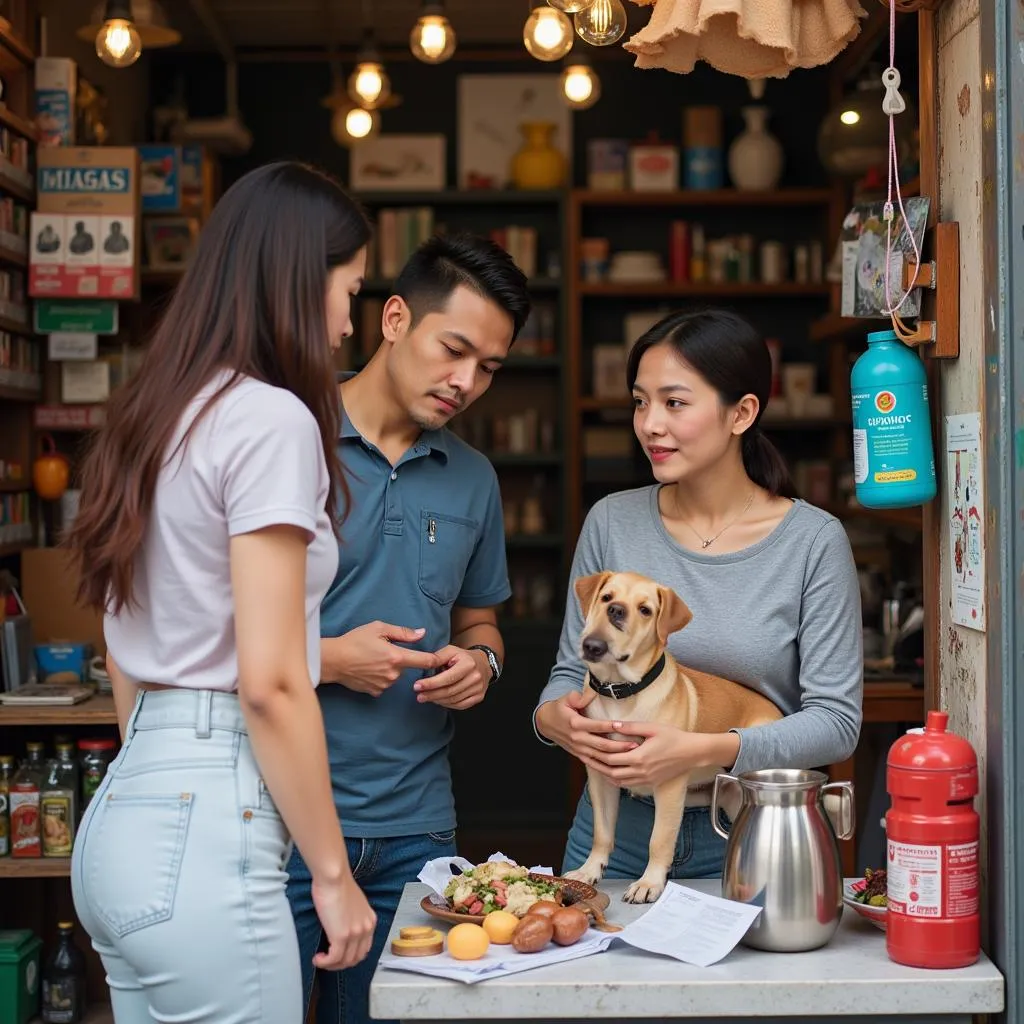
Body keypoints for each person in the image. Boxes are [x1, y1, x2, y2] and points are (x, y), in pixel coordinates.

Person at [65, 162, 378, 1024]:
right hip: (206, 824)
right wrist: (332, 873)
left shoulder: (153, 415)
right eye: (348, 291)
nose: (349, 324)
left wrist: (165, 774)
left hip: (124, 812)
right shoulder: (268, 419)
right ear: (296, 278)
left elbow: (122, 644)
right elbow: (271, 683)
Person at [286, 232, 531, 1024]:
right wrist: (327, 658)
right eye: (454, 349)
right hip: (279, 819)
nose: (466, 382)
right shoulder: (291, 439)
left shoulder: (473, 476)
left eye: (489, 367)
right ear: (394, 318)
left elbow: (482, 619)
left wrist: (480, 665)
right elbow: (210, 629)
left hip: (419, 827)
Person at [534, 308, 863, 882]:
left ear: (741, 413)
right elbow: (571, 670)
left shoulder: (812, 542)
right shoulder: (611, 523)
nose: (650, 424)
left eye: (674, 403)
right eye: (640, 401)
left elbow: (835, 722)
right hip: (613, 841)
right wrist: (552, 717)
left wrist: (702, 749)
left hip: (751, 834)